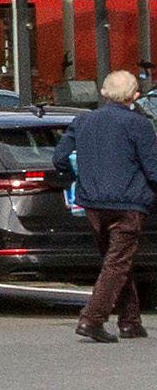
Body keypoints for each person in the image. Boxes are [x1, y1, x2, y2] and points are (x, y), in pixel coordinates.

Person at [63, 69, 155, 343]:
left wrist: (77, 177)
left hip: (92, 204)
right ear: (135, 96)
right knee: (117, 262)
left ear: (103, 93)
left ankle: (130, 321)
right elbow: (153, 168)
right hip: (128, 203)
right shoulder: (139, 124)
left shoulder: (83, 121)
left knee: (115, 262)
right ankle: (92, 319)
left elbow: (59, 157)